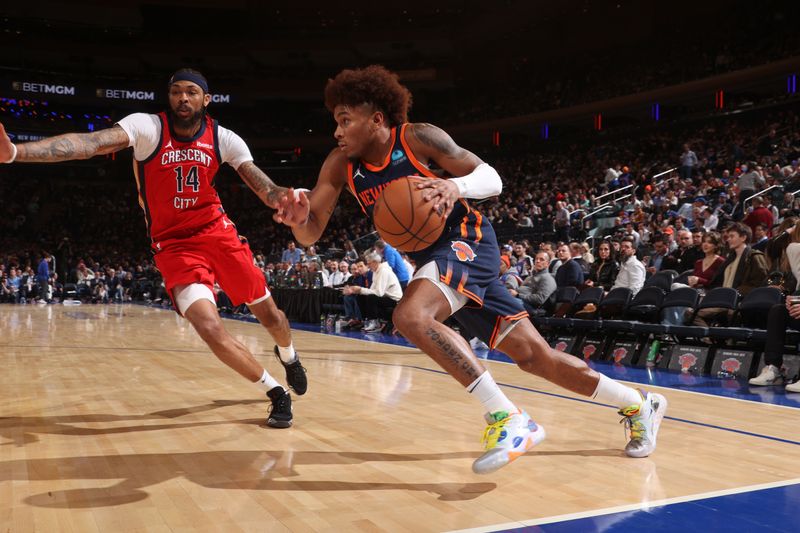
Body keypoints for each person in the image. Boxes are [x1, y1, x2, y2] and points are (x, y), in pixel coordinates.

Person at [275, 65, 667, 474]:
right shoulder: (340, 165)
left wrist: (453, 186)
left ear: (376, 119)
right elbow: (311, 233)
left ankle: (509, 418)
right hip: (434, 262)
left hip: (468, 241)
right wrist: (298, 219)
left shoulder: (416, 137)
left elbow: (491, 177)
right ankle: (640, 404)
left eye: (344, 120)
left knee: (411, 315)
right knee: (535, 357)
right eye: (334, 122)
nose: (336, 132)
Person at [0, 68, 307, 428]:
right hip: (174, 245)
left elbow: (262, 185)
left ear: (205, 100)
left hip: (217, 234)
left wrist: (281, 199)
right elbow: (90, 144)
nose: (183, 98)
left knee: (272, 317)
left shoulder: (225, 138)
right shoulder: (147, 127)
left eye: (192, 92)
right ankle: (275, 392)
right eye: (176, 92)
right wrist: (15, 153)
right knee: (209, 327)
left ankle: (288, 355)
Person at [749, 226, 800, 391]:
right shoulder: (794, 249)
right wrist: (793, 300)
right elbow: (773, 247)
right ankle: (774, 368)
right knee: (779, 310)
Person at [343, 251, 402, 333]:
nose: (368, 265)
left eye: (369, 263)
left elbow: (378, 293)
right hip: (385, 297)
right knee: (361, 296)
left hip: (394, 300)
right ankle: (366, 321)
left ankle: (375, 323)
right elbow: (371, 289)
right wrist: (358, 290)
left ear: (375, 262)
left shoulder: (383, 271)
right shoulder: (376, 271)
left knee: (371, 297)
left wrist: (360, 289)